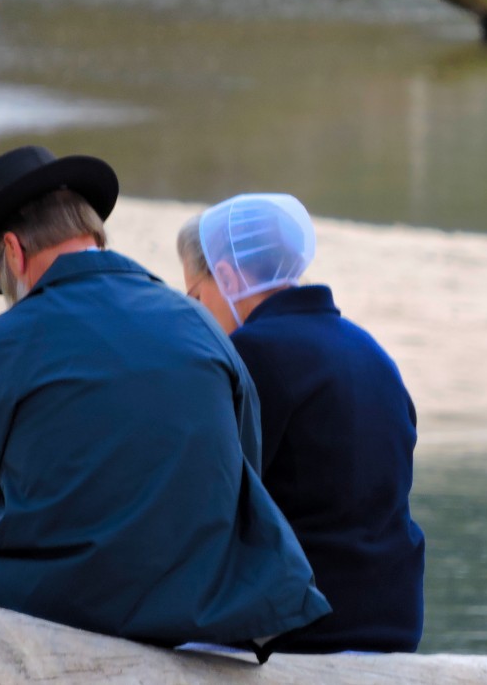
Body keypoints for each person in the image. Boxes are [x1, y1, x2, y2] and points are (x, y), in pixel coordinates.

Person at [0, 146, 330, 649]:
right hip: (201, 612)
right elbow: (243, 464)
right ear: (93, 233)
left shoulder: (4, 342)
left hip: (46, 608)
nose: (6, 293)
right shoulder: (201, 325)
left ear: (13, 252)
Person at [177, 193, 426, 654]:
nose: (196, 313)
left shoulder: (249, 355)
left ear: (227, 276)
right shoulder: (370, 352)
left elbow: (201, 503)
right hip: (395, 619)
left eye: (195, 296)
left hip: (307, 628)